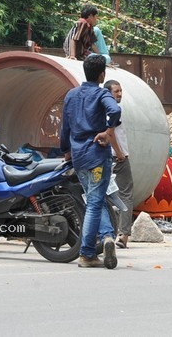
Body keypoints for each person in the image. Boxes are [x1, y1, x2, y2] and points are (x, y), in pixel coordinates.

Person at [60, 54, 121, 270]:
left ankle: (106, 237)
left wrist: (66, 150)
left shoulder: (71, 95)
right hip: (97, 155)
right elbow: (115, 110)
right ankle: (86, 253)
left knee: (95, 199)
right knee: (95, 202)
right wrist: (109, 131)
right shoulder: (101, 94)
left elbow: (64, 126)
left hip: (78, 157)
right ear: (102, 74)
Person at [105, 80, 133, 249]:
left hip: (103, 158)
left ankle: (104, 233)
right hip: (118, 158)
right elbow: (111, 133)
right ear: (108, 92)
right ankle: (123, 235)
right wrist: (120, 153)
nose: (120, 94)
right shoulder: (114, 109)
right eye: (116, 91)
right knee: (126, 195)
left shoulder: (98, 108)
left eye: (121, 91)